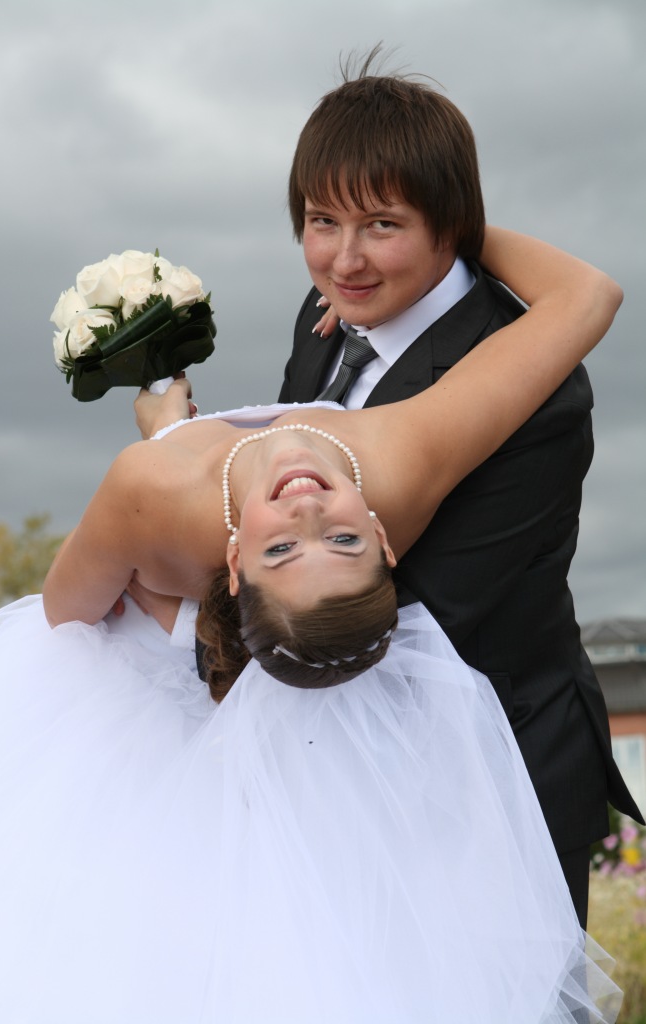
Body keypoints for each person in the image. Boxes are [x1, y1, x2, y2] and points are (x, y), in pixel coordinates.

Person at [0, 229, 624, 1022]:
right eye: (343, 541)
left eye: (281, 549)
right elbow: (586, 299)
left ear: (233, 559)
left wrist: (168, 467)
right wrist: (437, 226)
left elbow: (64, 612)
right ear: (383, 538)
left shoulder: (150, 488)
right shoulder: (406, 461)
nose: (308, 512)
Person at [273, 64, 644, 926]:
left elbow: (413, 609)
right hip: (349, 757)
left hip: (493, 771)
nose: (344, 259)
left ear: (452, 224)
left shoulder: (535, 383)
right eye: (322, 221)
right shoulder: (326, 317)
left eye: (382, 224)